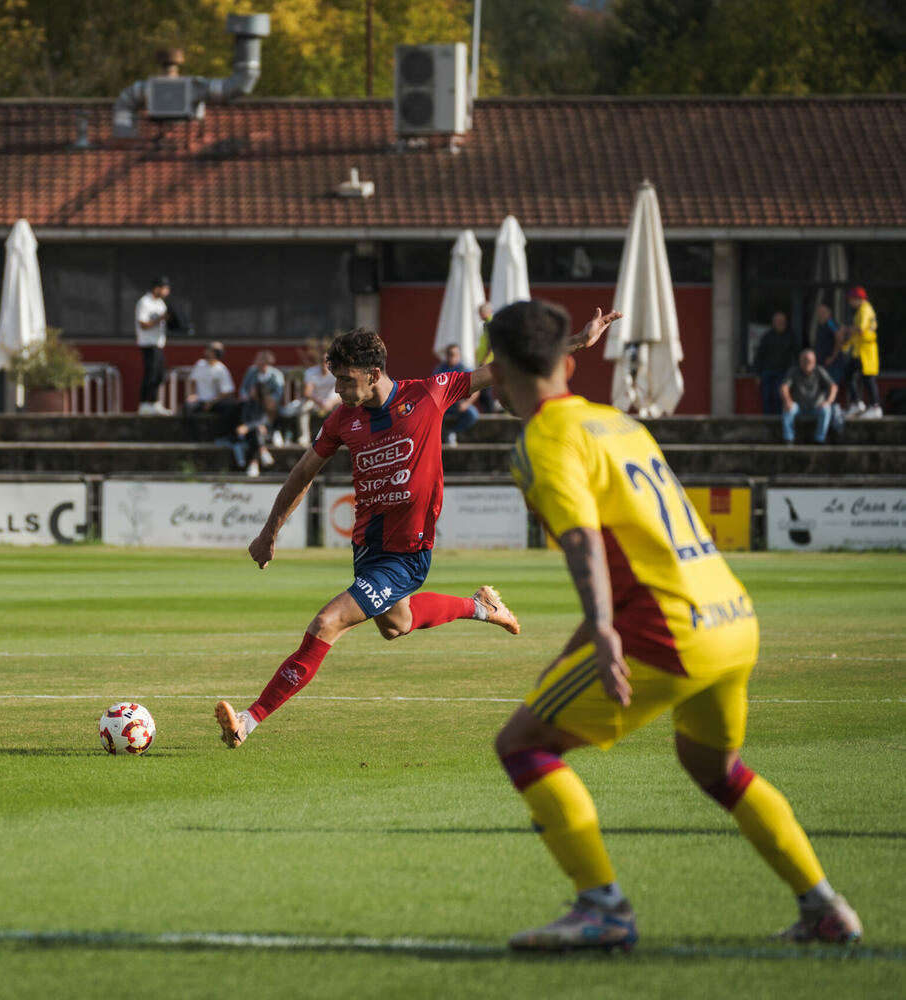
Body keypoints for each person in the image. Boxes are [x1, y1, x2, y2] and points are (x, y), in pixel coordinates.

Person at [485, 299, 861, 951]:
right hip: (731, 616)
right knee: (713, 765)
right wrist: (589, 637)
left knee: (523, 746)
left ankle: (602, 908)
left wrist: (603, 629)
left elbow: (584, 543)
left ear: (497, 371)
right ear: (566, 364)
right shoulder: (619, 424)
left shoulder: (542, 440)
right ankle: (825, 907)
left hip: (667, 628)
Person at [212, 316, 617, 749]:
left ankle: (248, 721)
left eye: (346, 380)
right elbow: (302, 473)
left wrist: (577, 342)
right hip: (367, 547)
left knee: (327, 623)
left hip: (406, 554)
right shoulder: (342, 420)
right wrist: (270, 531)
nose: (338, 390)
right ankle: (480, 607)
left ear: (373, 374)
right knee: (396, 624)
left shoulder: (429, 393)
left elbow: (506, 368)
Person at [234, 349, 284, 476]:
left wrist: (248, 426)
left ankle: (254, 462)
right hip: (256, 419)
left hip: (268, 405)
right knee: (256, 431)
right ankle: (262, 451)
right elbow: (244, 388)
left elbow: (278, 394)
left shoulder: (275, 375)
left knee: (257, 429)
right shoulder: (251, 372)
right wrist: (247, 397)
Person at [280, 338, 340, 443]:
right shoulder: (311, 372)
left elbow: (340, 392)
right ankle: (304, 436)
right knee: (304, 408)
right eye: (322, 361)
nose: (324, 363)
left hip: (332, 402)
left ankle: (339, 436)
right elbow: (307, 393)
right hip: (314, 402)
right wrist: (320, 402)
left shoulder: (336, 372)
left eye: (327, 361)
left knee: (344, 408)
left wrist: (330, 402)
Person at [780, 349, 838, 444]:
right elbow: (784, 386)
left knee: (826, 409)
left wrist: (828, 401)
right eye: (804, 360)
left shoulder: (819, 370)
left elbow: (833, 386)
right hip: (798, 407)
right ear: (800, 361)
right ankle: (788, 438)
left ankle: (820, 439)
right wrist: (787, 401)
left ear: (814, 361)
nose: (806, 363)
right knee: (787, 408)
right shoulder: (794, 371)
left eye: (809, 361)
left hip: (816, 407)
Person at [841, 286, 882, 418]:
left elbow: (860, 330)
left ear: (858, 299)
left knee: (867, 377)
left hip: (865, 351)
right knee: (852, 374)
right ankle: (858, 403)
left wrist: (846, 329)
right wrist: (846, 345)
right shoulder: (862, 310)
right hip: (860, 350)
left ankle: (874, 406)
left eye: (851, 299)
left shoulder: (865, 309)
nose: (850, 302)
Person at [135, 277, 172, 415]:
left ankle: (154, 403)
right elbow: (143, 324)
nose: (167, 291)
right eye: (165, 288)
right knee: (150, 374)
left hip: (159, 343)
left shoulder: (161, 303)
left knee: (159, 375)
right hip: (148, 343)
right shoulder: (145, 302)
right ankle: (144, 404)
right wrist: (160, 318)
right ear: (157, 288)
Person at [432, 344, 480, 447]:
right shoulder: (440, 369)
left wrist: (466, 404)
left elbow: (476, 390)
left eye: (453, 354)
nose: (451, 357)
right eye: (449, 354)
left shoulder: (465, 370)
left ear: (459, 355)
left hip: (457, 405)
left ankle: (452, 432)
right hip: (443, 404)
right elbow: (433, 387)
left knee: (473, 414)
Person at [752, 311, 796, 416]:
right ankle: (767, 420)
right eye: (778, 321)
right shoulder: (767, 336)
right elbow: (759, 355)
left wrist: (794, 373)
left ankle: (778, 419)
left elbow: (796, 354)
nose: (780, 323)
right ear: (774, 322)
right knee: (766, 396)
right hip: (767, 372)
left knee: (778, 396)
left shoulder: (790, 336)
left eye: (782, 321)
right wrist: (757, 374)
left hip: (783, 372)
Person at [184, 341, 236, 416]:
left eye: (210, 350)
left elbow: (227, 391)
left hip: (215, 403)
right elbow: (193, 381)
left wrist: (212, 402)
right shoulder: (200, 364)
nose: (206, 351)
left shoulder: (221, 369)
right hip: (199, 401)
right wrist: (193, 394)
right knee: (188, 406)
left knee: (229, 406)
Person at [812, 303, 845, 388]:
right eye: (819, 313)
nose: (821, 315)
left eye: (823, 312)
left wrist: (833, 357)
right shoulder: (821, 326)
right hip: (823, 364)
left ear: (829, 313)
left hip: (832, 365)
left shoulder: (831, 323)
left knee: (831, 388)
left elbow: (839, 337)